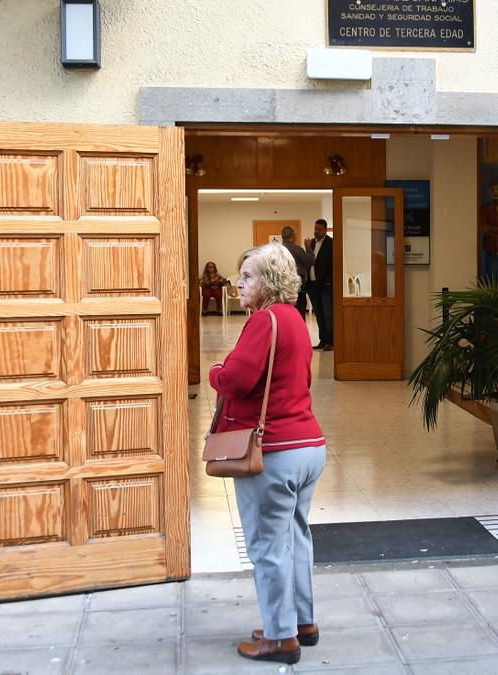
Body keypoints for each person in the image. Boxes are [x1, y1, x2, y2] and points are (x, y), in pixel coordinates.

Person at [208, 243, 326, 665]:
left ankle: (280, 638)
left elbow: (237, 380)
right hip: (308, 447)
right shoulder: (294, 318)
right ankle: (302, 623)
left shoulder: (263, 321)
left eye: (248, 276)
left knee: (267, 546)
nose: (239, 283)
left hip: (273, 452)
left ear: (269, 283)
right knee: (295, 538)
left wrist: (215, 371)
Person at [305, 219, 334, 351]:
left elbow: (334, 264)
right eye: (315, 229)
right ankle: (323, 340)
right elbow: (307, 261)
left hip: (325, 285)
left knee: (328, 314)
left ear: (325, 230)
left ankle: (331, 341)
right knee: (319, 314)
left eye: (319, 229)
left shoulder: (331, 243)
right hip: (312, 285)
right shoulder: (311, 243)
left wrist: (328, 280)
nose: (316, 232)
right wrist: (307, 249)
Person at [279, 225, 314, 317]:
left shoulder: (278, 250)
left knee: (286, 313)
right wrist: (308, 248)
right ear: (293, 236)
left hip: (283, 287)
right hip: (298, 287)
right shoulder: (297, 249)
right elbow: (310, 262)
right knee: (299, 312)